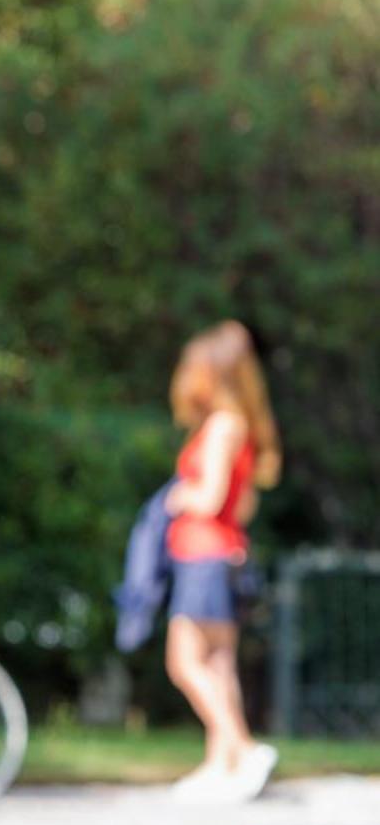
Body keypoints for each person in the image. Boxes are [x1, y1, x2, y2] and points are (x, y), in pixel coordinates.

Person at [164, 321, 281, 800]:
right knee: (219, 665)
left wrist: (178, 497)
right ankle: (221, 765)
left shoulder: (219, 427)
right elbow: (245, 505)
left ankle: (243, 747)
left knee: (184, 662)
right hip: (229, 553)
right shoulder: (244, 429)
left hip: (203, 554)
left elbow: (209, 497)